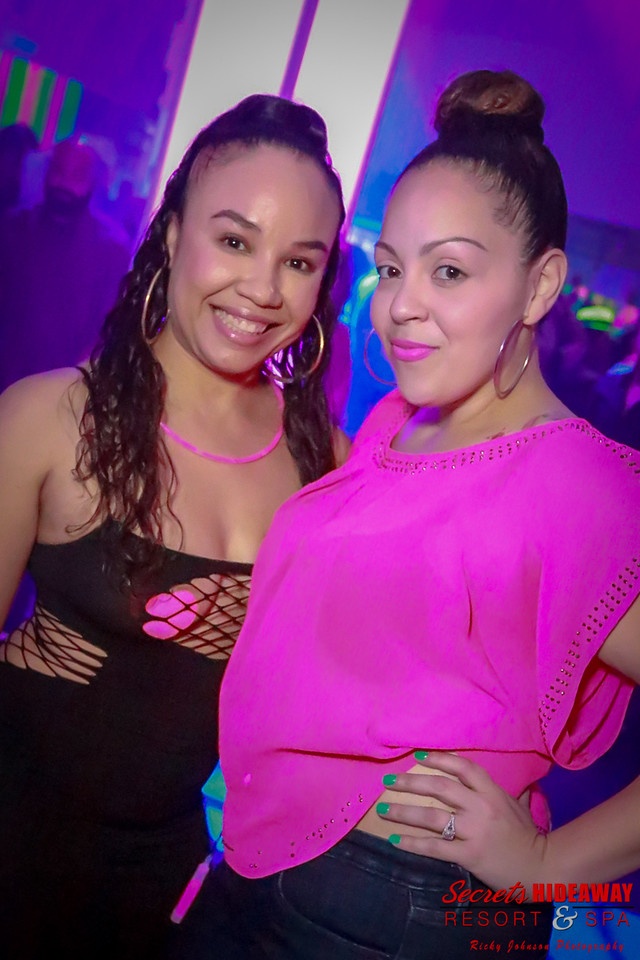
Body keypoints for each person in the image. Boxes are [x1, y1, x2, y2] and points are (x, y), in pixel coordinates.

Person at [174, 71, 640, 959]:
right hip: (269, 868)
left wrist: (547, 866)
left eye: (449, 271)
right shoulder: (401, 423)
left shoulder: (575, 484)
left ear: (541, 286)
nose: (400, 306)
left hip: (402, 911)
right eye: (391, 268)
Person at [0, 94, 346, 960]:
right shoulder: (49, 418)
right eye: (234, 241)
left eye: (298, 261)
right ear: (173, 232)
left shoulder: (325, 464)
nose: (262, 290)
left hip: (167, 884)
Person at [0, 137, 131, 391]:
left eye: (77, 175)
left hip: (63, 390)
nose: (64, 183)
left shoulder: (110, 250)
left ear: (93, 183)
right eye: (59, 171)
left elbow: (107, 329)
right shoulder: (13, 229)